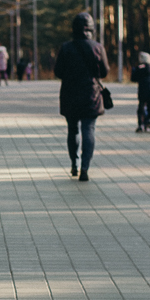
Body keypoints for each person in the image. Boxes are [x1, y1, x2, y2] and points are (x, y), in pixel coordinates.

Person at [53, 12, 110, 182]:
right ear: (91, 28)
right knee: (88, 129)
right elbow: (105, 72)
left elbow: (58, 71)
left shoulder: (66, 47)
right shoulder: (97, 47)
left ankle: (74, 164)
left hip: (70, 93)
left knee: (72, 129)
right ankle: (85, 167)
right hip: (91, 94)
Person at [131, 51, 150, 132]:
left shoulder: (139, 69)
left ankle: (140, 124)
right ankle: (149, 119)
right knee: (149, 105)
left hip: (143, 91)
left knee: (141, 107)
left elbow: (133, 78)